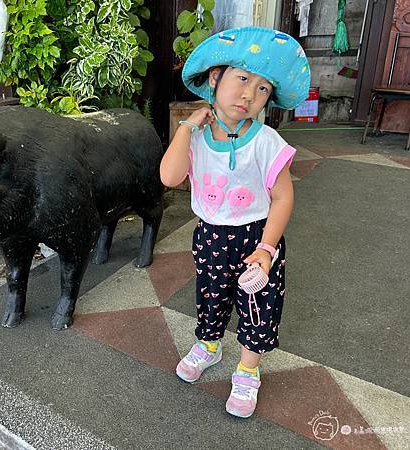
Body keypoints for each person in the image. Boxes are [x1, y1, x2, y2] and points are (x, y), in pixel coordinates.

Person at [160, 26, 310, 418]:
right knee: (210, 297)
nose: (249, 94)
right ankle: (209, 345)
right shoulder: (194, 138)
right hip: (210, 236)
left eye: (262, 89)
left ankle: (247, 371)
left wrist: (267, 248)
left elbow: (282, 196)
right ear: (215, 79)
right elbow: (169, 177)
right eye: (242, 79)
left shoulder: (266, 141)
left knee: (259, 305)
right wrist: (187, 127)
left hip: (257, 238)